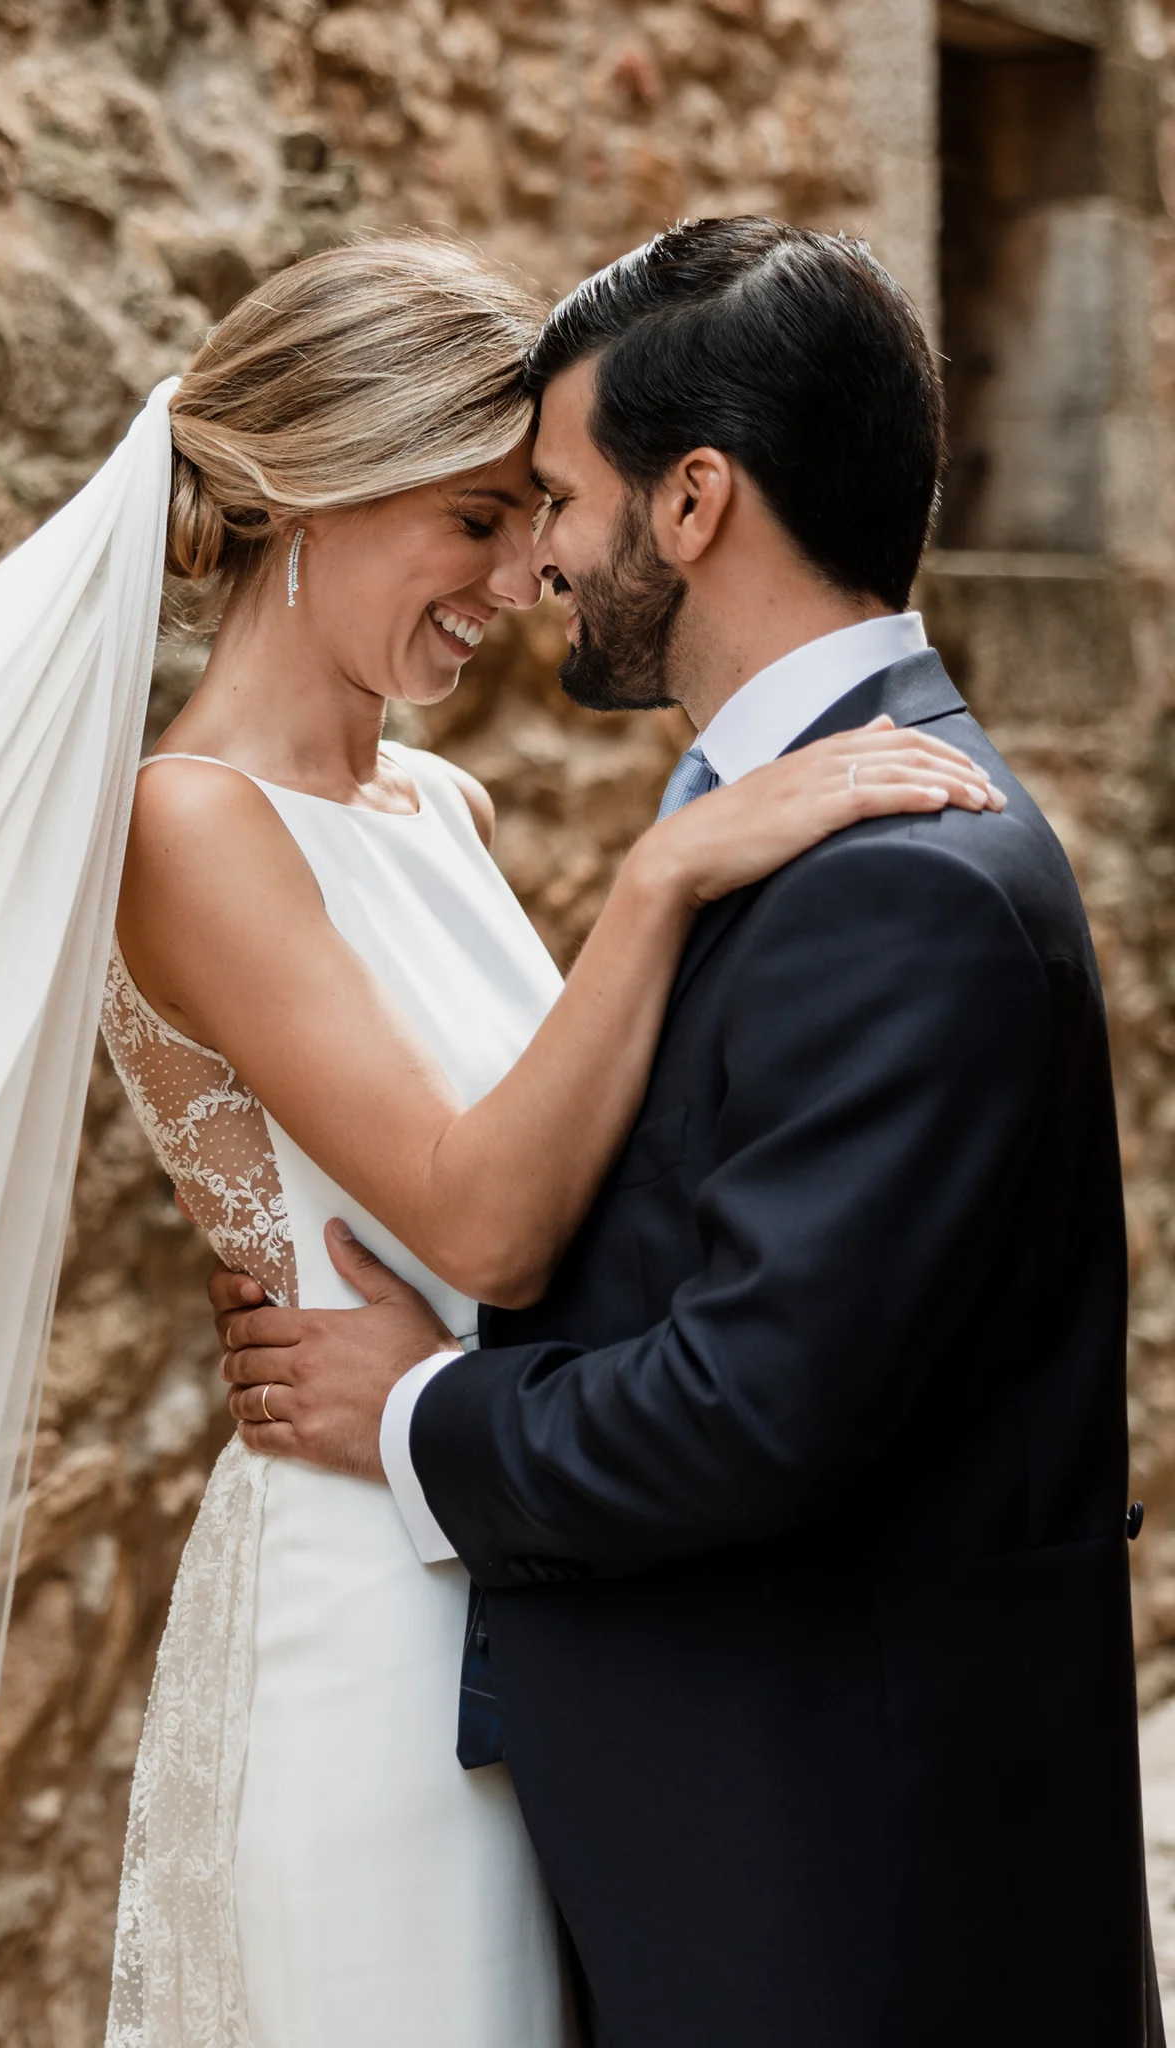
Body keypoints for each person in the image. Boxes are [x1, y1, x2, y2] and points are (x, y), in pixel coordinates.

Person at [213, 220, 1158, 2046]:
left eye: (553, 498)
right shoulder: (786, 823)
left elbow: (742, 1408)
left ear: (696, 500)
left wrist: (409, 1406)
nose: (542, 558)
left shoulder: (901, 879)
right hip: (701, 1827)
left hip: (848, 1905)